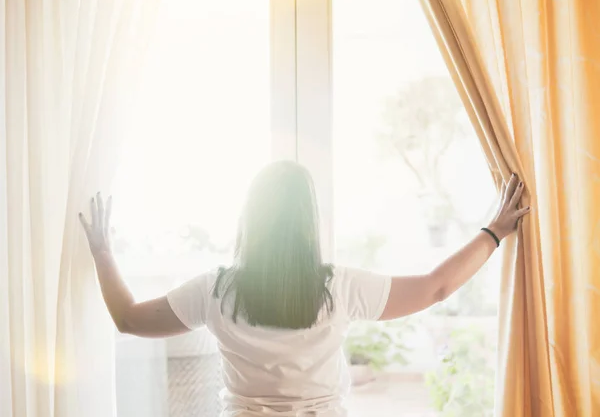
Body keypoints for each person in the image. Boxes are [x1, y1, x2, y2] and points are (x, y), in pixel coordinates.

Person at [79, 161, 530, 417]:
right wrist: (493, 232)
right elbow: (436, 287)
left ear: (249, 221)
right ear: (310, 223)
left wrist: (102, 253)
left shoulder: (216, 291)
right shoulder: (339, 288)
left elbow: (129, 318)